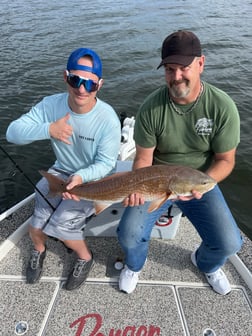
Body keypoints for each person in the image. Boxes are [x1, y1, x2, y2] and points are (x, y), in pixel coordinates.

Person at [117, 30, 243, 295]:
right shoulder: (152, 107)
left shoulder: (222, 106)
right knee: (127, 234)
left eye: (184, 68)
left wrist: (204, 184)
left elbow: (225, 160)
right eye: (169, 69)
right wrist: (136, 188)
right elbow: (142, 158)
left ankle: (205, 263)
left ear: (201, 64)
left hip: (200, 180)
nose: (176, 77)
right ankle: (134, 265)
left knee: (230, 242)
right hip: (155, 180)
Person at [6, 48, 121, 290]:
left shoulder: (108, 118)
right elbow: (12, 133)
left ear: (99, 85)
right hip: (60, 171)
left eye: (89, 84)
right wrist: (49, 129)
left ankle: (85, 257)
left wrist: (81, 177)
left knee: (60, 226)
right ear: (65, 76)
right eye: (75, 80)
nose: (81, 89)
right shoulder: (51, 105)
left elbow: (106, 163)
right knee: (36, 225)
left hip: (94, 180)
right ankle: (39, 250)